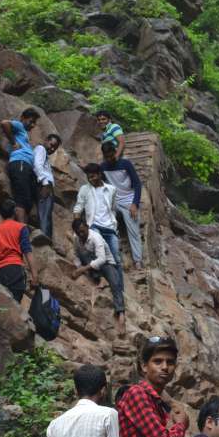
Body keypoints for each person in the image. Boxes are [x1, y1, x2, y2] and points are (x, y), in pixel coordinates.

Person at [73, 163, 123, 291]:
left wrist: (114, 225)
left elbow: (113, 209)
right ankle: (100, 279)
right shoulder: (85, 189)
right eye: (89, 177)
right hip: (93, 226)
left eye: (94, 176)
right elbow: (78, 208)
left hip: (110, 228)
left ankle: (119, 289)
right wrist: (77, 227)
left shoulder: (111, 189)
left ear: (100, 174)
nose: (91, 179)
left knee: (116, 259)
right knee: (95, 254)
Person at [72, 217, 125, 335]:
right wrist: (78, 266)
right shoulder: (76, 238)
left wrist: (82, 269)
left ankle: (121, 314)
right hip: (89, 261)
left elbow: (102, 259)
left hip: (106, 263)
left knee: (115, 284)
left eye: (82, 231)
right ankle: (99, 278)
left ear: (87, 227)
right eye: (78, 232)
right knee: (84, 253)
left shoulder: (96, 237)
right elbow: (76, 254)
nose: (81, 234)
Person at [0, 198, 38, 302]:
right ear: (15, 212)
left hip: (0, 272)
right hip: (15, 270)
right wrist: (35, 276)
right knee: (15, 305)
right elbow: (27, 252)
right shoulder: (21, 227)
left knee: (2, 305)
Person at [100, 141, 143, 270]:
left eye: (111, 155)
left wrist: (135, 204)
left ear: (115, 152)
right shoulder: (103, 167)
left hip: (129, 201)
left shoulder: (125, 164)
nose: (109, 159)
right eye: (106, 156)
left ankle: (138, 261)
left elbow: (137, 184)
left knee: (134, 231)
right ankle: (113, 258)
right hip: (115, 201)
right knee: (107, 225)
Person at [0, 108, 41, 223]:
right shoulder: (19, 125)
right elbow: (4, 123)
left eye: (34, 123)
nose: (32, 125)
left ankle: (24, 224)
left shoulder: (24, 133)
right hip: (20, 162)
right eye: (31, 121)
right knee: (21, 196)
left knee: (29, 196)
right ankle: (21, 227)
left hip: (26, 165)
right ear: (23, 118)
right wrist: (13, 142)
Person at [33, 133, 61, 243]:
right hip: (44, 184)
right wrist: (45, 183)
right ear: (46, 140)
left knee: (45, 212)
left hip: (44, 184)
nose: (52, 148)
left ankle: (44, 235)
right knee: (45, 212)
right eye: (51, 144)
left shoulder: (45, 155)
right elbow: (37, 165)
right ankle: (44, 236)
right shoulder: (41, 149)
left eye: (55, 147)